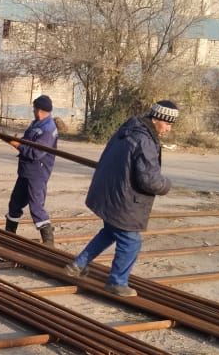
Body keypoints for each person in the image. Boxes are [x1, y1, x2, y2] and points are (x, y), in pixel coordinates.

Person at [63, 100, 179, 297]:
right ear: (156, 119)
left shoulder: (129, 129)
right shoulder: (145, 140)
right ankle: (117, 282)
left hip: (110, 193)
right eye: (167, 123)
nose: (169, 129)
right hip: (125, 199)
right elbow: (149, 180)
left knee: (109, 232)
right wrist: (166, 184)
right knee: (131, 242)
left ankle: (77, 265)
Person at [4, 94, 58, 245]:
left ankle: (48, 243)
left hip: (37, 173)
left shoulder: (47, 129)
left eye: (34, 109)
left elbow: (36, 153)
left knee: (36, 207)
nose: (33, 111)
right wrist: (15, 140)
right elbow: (28, 142)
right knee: (15, 203)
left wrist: (16, 144)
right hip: (26, 171)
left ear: (39, 110)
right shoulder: (37, 124)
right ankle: (9, 236)